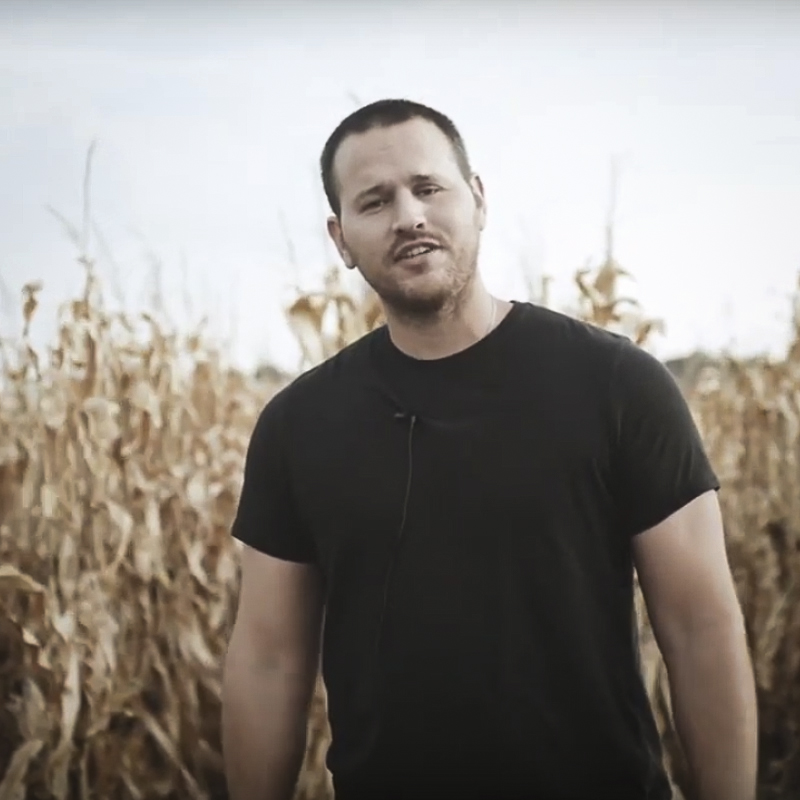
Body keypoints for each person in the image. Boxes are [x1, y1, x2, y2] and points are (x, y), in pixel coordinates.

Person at [221, 99, 758, 800]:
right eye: (375, 201)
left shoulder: (618, 386)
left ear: (477, 200)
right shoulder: (298, 425)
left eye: (428, 187)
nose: (408, 214)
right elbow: (268, 661)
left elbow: (700, 628)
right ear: (341, 239)